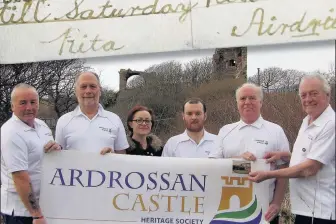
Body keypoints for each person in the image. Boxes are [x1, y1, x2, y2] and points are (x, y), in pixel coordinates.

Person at [248, 74, 335, 224]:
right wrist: (286, 156)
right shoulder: (308, 120)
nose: (308, 99)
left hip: (320, 212)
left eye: (314, 93)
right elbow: (311, 156)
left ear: (327, 95)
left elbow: (309, 168)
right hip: (305, 209)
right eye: (303, 95)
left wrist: (268, 174)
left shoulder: (330, 124)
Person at [209, 83, 290, 224]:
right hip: (228, 210)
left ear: (261, 102)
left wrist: (277, 203)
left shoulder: (276, 131)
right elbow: (212, 166)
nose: (247, 102)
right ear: (237, 103)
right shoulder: (225, 131)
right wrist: (238, 161)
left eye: (252, 98)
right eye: (243, 98)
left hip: (265, 211)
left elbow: (283, 171)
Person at [1, 84, 61, 224]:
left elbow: (48, 156)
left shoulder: (41, 125)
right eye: (23, 103)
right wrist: (37, 215)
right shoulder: (11, 133)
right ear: (12, 106)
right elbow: (20, 177)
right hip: (22, 213)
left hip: (44, 206)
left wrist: (56, 148)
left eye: (33, 102)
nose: (29, 107)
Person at [55, 71, 129, 154]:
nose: (88, 91)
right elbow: (58, 157)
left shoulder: (115, 119)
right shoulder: (63, 121)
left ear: (100, 90)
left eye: (92, 86)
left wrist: (113, 156)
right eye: (83, 86)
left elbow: (122, 155)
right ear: (76, 92)